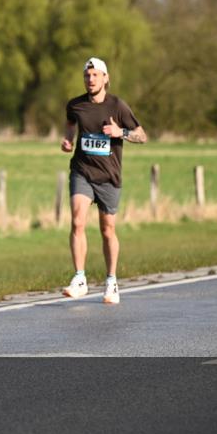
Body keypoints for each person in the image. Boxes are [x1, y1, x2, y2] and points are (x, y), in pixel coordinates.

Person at [60, 57, 147, 304]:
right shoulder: (75, 105)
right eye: (87, 76)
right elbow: (70, 124)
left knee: (107, 229)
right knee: (77, 220)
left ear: (105, 78)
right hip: (82, 171)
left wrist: (122, 133)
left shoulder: (117, 106)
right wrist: (69, 140)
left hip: (109, 176)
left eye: (95, 75)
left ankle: (111, 281)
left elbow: (142, 135)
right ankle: (80, 278)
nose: (90, 79)